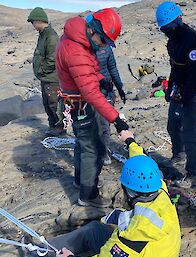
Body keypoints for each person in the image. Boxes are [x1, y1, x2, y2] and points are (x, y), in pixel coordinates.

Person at [20, 130, 181, 257]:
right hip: (159, 251)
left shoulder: (132, 236)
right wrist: (129, 140)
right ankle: (39, 250)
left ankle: (37, 252)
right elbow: (140, 160)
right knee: (94, 229)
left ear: (129, 192)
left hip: (138, 251)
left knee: (92, 232)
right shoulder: (160, 190)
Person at [56, 9, 129, 208]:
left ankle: (80, 181)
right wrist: (117, 119)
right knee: (93, 148)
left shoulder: (78, 38)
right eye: (103, 40)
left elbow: (87, 70)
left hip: (75, 100)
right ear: (93, 30)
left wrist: (101, 80)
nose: (103, 44)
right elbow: (90, 93)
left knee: (82, 143)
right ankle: (88, 195)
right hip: (80, 104)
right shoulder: (76, 49)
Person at [156, 1, 196, 188]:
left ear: (178, 20)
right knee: (172, 125)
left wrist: (186, 98)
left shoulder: (194, 41)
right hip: (179, 89)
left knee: (189, 132)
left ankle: (193, 174)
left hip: (195, 92)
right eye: (164, 30)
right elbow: (174, 68)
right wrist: (170, 88)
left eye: (169, 28)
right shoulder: (172, 42)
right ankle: (179, 154)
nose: (167, 32)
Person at [85, 14, 127, 165]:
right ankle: (95, 150)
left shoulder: (107, 48)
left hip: (107, 90)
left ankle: (104, 152)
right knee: (92, 124)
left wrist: (119, 87)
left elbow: (113, 67)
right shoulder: (86, 47)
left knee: (104, 124)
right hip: (91, 91)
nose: (102, 43)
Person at [27, 7, 65, 136]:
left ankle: (60, 128)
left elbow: (52, 59)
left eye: (33, 22)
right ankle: (52, 126)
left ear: (39, 20)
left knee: (54, 104)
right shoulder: (43, 34)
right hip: (45, 78)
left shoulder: (51, 36)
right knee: (47, 104)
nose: (32, 25)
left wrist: (41, 70)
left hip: (52, 78)